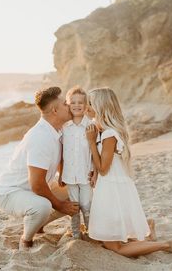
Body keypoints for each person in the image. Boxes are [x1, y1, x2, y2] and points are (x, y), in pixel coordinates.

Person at [86, 87, 172, 258]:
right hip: (113, 185)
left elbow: (104, 169)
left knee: (115, 247)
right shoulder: (101, 131)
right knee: (110, 239)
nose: (86, 107)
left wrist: (91, 142)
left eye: (90, 103)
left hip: (111, 187)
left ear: (100, 106)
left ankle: (165, 245)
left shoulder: (109, 134)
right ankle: (147, 227)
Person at [0, 87, 79, 250]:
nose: (70, 106)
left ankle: (39, 223)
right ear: (55, 110)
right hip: (10, 192)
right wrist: (60, 206)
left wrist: (64, 176)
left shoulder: (57, 130)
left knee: (78, 189)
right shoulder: (41, 137)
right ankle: (26, 240)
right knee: (42, 207)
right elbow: (37, 185)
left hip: (32, 190)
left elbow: (60, 156)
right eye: (65, 104)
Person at [58, 86, 96, 238]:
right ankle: (76, 234)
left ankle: (91, 232)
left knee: (87, 206)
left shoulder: (91, 125)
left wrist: (95, 173)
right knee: (74, 206)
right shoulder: (64, 128)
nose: (77, 105)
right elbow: (61, 153)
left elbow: (95, 152)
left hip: (86, 174)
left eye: (80, 102)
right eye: (73, 102)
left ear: (86, 105)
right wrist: (60, 173)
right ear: (67, 104)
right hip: (69, 175)